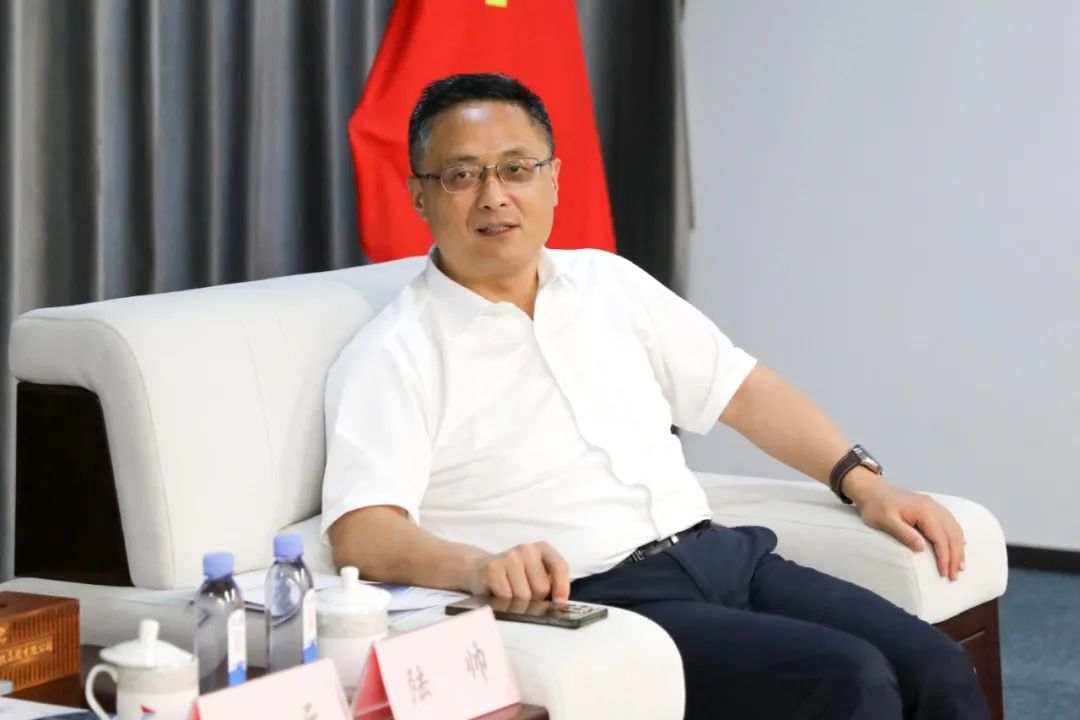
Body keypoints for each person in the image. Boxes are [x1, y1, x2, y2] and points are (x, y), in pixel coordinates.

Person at [321, 73, 989, 719]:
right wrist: (479, 567)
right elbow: (362, 530)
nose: (494, 196)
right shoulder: (395, 351)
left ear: (553, 179)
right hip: (602, 597)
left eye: (517, 169)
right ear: (419, 195)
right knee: (848, 679)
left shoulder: (607, 282)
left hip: (722, 555)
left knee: (935, 666)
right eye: (463, 175)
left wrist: (864, 483)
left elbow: (742, 391)